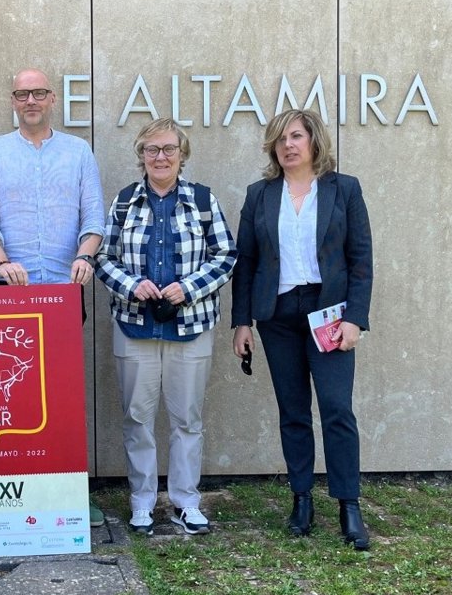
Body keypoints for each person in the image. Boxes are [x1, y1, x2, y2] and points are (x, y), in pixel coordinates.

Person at [231, 108, 374, 550]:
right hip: (277, 316)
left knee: (336, 408)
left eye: (295, 136)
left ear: (314, 141)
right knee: (293, 411)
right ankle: (302, 501)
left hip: (328, 313)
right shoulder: (260, 194)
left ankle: (349, 505)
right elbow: (246, 263)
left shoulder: (344, 189)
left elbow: (360, 259)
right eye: (280, 139)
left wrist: (355, 318)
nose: (288, 145)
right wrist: (241, 322)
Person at [0, 68, 107, 525]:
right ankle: (15, 494)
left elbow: (94, 219)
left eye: (38, 93)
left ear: (52, 98)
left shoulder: (78, 151)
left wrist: (85, 256)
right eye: (21, 94)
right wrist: (0, 263)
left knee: (63, 397)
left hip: (64, 293)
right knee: (12, 397)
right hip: (9, 293)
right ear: (12, 101)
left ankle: (68, 494)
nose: (30, 100)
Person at [96, 118, 236, 536]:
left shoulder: (202, 200)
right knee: (137, 419)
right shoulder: (124, 202)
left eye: (169, 149)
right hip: (135, 327)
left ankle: (185, 502)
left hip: (190, 327)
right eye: (151, 149)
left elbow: (226, 255)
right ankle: (142, 502)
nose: (160, 157)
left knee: (187, 420)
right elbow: (102, 257)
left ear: (182, 154)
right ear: (141, 155)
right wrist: (131, 285)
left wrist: (188, 288)